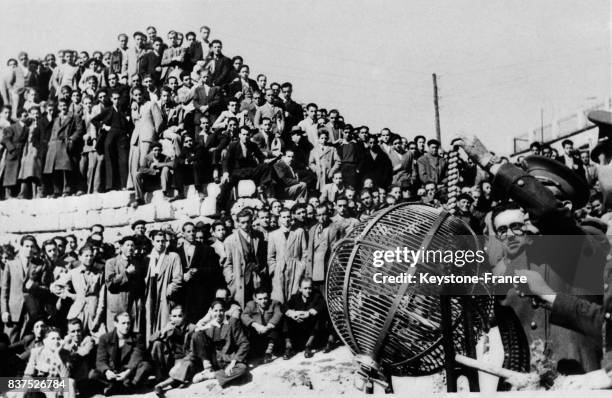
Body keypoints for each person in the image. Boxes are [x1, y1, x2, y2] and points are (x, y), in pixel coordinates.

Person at [2, 235, 52, 343]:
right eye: (26, 246)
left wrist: (35, 286)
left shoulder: (41, 264)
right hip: (13, 311)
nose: (29, 249)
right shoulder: (10, 264)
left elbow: (46, 289)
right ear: (21, 247)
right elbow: (4, 291)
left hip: (32, 311)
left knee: (29, 342)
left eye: (32, 246)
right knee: (10, 341)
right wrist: (4, 311)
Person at [90, 312, 153, 396]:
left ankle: (125, 387)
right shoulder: (105, 338)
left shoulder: (137, 337)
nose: (126, 326)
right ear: (115, 324)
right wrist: (107, 371)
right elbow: (100, 360)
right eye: (123, 323)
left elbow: (136, 357)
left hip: (129, 372)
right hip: (112, 372)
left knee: (145, 366)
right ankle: (118, 387)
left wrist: (127, 372)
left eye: (128, 323)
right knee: (92, 374)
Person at [190, 300, 250, 388]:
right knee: (197, 334)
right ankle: (207, 369)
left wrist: (233, 363)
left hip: (228, 359)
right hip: (213, 361)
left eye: (221, 310)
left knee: (242, 369)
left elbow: (244, 343)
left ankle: (212, 375)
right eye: (215, 311)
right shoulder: (208, 324)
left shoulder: (232, 323)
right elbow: (193, 334)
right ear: (211, 311)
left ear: (225, 310)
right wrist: (202, 328)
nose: (218, 314)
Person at [143, 230, 183, 345]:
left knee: (164, 326)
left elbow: (178, 279)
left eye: (163, 241)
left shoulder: (173, 257)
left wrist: (168, 292)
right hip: (150, 295)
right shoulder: (148, 258)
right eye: (158, 241)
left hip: (164, 296)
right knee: (150, 324)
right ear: (152, 242)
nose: (161, 244)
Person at [55, 245, 105, 336]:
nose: (89, 258)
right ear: (79, 257)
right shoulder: (73, 272)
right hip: (77, 310)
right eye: (86, 256)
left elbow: (101, 296)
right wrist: (70, 295)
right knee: (75, 335)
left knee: (100, 335)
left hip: (93, 310)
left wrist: (98, 315)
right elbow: (55, 286)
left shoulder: (99, 273)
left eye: (91, 256)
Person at [223, 208, 269, 308]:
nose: (246, 225)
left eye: (248, 222)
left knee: (256, 304)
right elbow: (227, 263)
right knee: (241, 304)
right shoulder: (230, 240)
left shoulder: (258, 236)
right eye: (243, 222)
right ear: (238, 223)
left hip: (255, 277)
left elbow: (262, 256)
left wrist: (261, 270)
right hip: (239, 277)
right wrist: (230, 278)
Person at [177, 222, 218, 324]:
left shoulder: (207, 250)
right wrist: (182, 276)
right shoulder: (177, 251)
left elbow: (214, 270)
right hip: (183, 293)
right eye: (188, 231)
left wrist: (198, 271)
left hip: (200, 293)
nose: (192, 234)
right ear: (183, 234)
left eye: (193, 231)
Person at [151, 305, 196, 396]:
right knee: (157, 344)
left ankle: (162, 385)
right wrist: (163, 331)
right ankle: (161, 377)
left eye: (180, 316)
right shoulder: (169, 327)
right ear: (170, 317)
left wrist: (182, 362)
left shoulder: (192, 328)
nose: (177, 319)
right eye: (174, 316)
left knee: (187, 365)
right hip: (172, 360)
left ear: (184, 316)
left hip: (186, 360)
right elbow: (151, 339)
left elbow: (194, 352)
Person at [43, 97, 83, 197]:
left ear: (68, 106)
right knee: (54, 169)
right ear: (58, 107)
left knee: (66, 168)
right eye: (61, 106)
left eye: (64, 105)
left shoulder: (74, 116)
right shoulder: (56, 118)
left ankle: (67, 189)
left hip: (65, 144)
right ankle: (57, 191)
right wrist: (50, 143)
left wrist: (71, 139)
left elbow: (79, 130)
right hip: (54, 145)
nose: (63, 107)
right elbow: (53, 131)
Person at [104, 236, 145, 331]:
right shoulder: (111, 262)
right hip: (117, 304)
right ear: (121, 247)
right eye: (127, 245)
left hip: (132, 306)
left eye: (132, 245)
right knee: (115, 335)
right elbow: (110, 284)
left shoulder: (137, 263)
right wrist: (126, 273)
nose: (130, 248)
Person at [268, 208, 308, 304]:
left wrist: (301, 267)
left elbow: (305, 253)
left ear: (292, 218)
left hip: (295, 268)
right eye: (284, 217)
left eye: (288, 216)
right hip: (279, 269)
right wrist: (274, 269)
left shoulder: (299, 232)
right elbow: (270, 256)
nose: (286, 219)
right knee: (280, 298)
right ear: (279, 219)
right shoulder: (273, 234)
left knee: (294, 296)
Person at [127, 85, 163, 190]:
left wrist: (154, 134)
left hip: (147, 136)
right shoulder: (134, 107)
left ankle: (146, 185)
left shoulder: (151, 104)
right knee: (134, 163)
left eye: (140, 94)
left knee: (143, 162)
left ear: (143, 94)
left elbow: (159, 121)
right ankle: (134, 186)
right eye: (136, 95)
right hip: (136, 137)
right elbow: (135, 122)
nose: (138, 96)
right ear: (133, 96)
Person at [283, 277, 325, 359]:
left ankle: (308, 346)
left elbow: (323, 304)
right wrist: (292, 313)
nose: (308, 291)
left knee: (319, 316)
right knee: (286, 317)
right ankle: (288, 346)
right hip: (298, 328)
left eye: (309, 288)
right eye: (305, 288)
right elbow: (284, 306)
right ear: (300, 289)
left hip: (311, 329)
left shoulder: (316, 296)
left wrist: (311, 312)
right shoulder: (295, 297)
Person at [241, 287, 283, 363]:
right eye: (260, 299)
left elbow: (278, 314)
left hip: (270, 332)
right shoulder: (251, 305)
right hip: (257, 333)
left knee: (278, 324)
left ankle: (269, 351)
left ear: (269, 297)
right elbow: (244, 316)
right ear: (255, 299)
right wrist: (256, 325)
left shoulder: (275, 303)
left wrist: (267, 327)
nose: (263, 301)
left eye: (265, 298)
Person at [306, 204, 339, 296]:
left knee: (327, 295)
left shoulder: (334, 228)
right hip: (314, 269)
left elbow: (335, 250)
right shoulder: (313, 229)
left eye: (324, 214)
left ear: (328, 214)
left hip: (326, 268)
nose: (322, 217)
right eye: (319, 215)